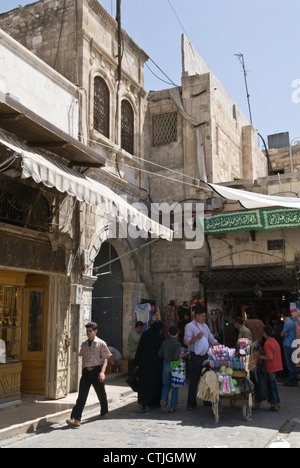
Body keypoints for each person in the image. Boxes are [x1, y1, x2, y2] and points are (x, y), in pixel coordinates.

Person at [66, 322, 112, 427]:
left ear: (95, 331)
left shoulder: (101, 343)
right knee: (82, 396)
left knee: (101, 393)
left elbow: (105, 359)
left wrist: (102, 372)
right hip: (86, 371)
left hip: (97, 370)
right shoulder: (84, 344)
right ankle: (76, 418)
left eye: (90, 331)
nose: (88, 333)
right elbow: (82, 357)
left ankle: (104, 411)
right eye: (87, 331)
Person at [184, 306, 218, 410]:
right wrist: (196, 338)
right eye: (202, 316)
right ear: (197, 316)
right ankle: (191, 403)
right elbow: (186, 341)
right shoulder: (189, 326)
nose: (204, 318)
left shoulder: (205, 326)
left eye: (204, 316)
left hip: (205, 356)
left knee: (206, 378)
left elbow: (211, 338)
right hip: (195, 356)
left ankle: (206, 400)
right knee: (194, 380)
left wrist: (218, 345)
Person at [134, 320, 163, 412]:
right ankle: (154, 402)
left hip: (144, 364)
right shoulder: (160, 337)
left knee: (144, 383)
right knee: (155, 383)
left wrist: (136, 363)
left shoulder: (145, 334)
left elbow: (140, 349)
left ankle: (142, 402)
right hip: (156, 364)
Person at [259, 326, 283, 412]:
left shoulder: (267, 343)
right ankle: (274, 404)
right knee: (273, 385)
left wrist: (260, 356)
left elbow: (270, 357)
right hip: (277, 366)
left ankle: (275, 404)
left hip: (271, 367)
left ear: (265, 333)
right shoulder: (274, 341)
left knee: (272, 386)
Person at [159, 326, 182, 413]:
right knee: (175, 386)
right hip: (175, 364)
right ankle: (173, 406)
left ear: (169, 333)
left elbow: (160, 354)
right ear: (177, 333)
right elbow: (176, 356)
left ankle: (163, 400)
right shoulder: (177, 344)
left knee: (165, 385)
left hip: (166, 363)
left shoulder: (164, 342)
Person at [281, 309, 298, 387]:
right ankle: (293, 380)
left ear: (282, 315)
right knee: (292, 364)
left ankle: (292, 381)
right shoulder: (291, 322)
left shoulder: (287, 322)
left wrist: (283, 334)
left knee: (290, 364)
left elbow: (282, 334)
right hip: (292, 344)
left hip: (288, 344)